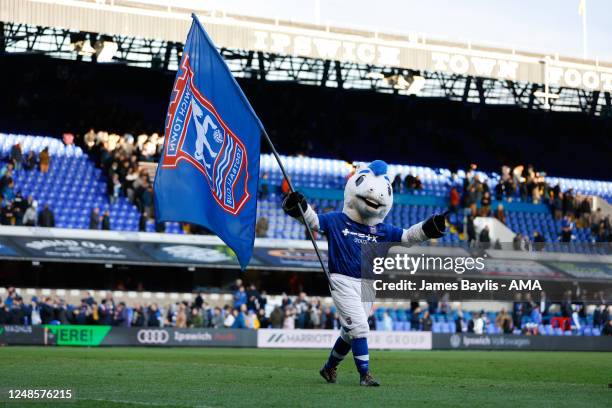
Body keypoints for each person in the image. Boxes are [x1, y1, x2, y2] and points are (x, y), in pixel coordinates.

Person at [282, 160, 446, 387]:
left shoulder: (383, 230)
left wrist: (429, 228)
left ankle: (329, 368)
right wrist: (300, 207)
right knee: (359, 327)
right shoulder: (337, 220)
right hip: (342, 280)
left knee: (350, 332)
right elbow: (314, 221)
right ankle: (365, 374)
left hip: (369, 285)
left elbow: (408, 237)